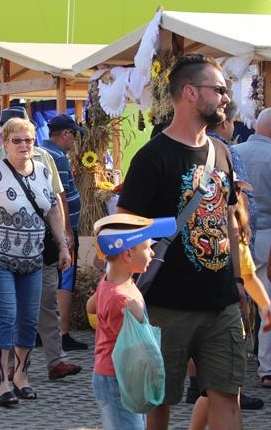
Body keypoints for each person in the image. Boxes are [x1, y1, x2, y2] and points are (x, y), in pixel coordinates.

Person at [116, 54, 244, 429]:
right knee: (159, 400)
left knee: (228, 396)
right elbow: (123, 227)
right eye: (218, 89)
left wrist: (238, 281)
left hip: (221, 304)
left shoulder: (221, 152)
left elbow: (228, 220)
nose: (226, 98)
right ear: (190, 92)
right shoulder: (152, 158)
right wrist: (122, 290)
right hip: (166, 306)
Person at [0, 107, 83, 382]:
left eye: (28, 139)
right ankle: (4, 376)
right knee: (7, 315)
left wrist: (63, 241)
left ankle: (38, 368)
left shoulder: (43, 164)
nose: (24, 145)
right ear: (4, 139)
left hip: (39, 252)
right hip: (1, 257)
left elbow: (55, 201)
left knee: (38, 310)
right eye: (17, 139)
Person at [188, 191, 271, 429]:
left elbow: (250, 277)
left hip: (218, 314)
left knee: (213, 391)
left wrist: (266, 307)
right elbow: (250, 277)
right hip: (222, 317)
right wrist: (265, 307)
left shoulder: (218, 237)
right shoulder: (224, 237)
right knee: (221, 389)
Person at [88, 213, 176, 430]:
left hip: (114, 375)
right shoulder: (122, 300)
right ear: (127, 253)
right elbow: (135, 349)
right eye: (146, 247)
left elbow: (90, 306)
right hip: (118, 379)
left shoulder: (110, 282)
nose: (153, 252)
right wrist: (137, 318)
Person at [43, 113, 88, 351]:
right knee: (65, 279)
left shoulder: (42, 152)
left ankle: (44, 331)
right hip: (63, 230)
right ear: (65, 134)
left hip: (49, 229)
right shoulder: (58, 157)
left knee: (50, 279)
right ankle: (62, 333)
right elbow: (61, 196)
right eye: (74, 136)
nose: (75, 141)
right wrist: (68, 231)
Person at [234, 107, 271, 388]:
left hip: (236, 234)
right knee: (267, 303)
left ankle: (229, 361)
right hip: (268, 234)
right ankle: (267, 367)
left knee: (233, 301)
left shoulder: (234, 152)